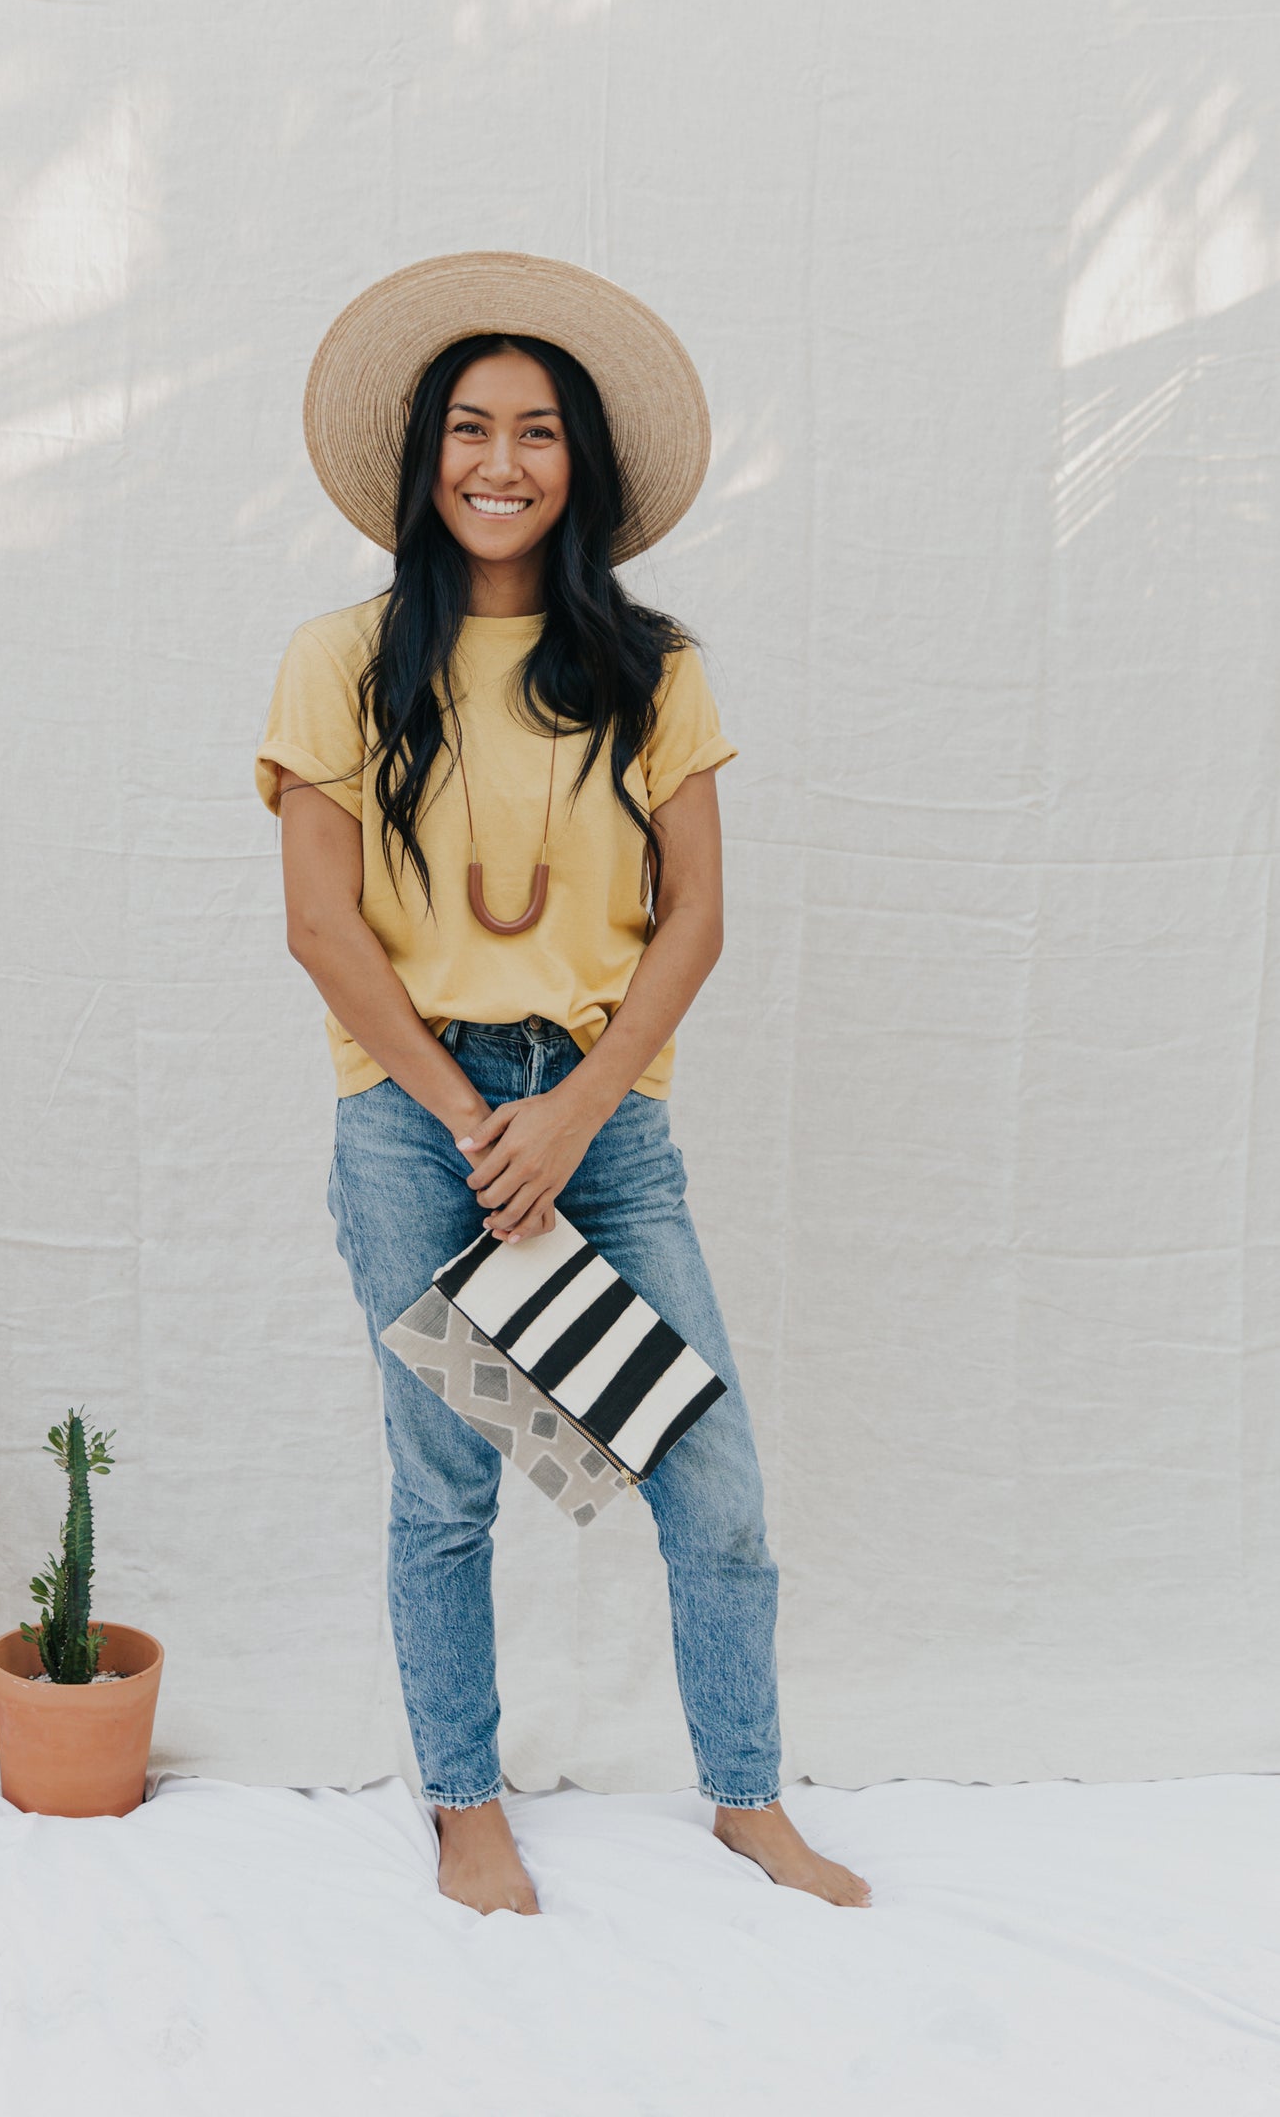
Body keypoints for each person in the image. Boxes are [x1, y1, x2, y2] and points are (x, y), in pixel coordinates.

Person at [255, 251, 871, 1915]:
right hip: (414, 1123)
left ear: (580, 465)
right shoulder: (341, 656)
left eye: (536, 431)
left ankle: (746, 1793)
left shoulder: (654, 666)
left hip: (603, 1120)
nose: (500, 462)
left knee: (708, 1480)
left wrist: (575, 1111)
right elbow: (321, 926)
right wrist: (470, 1124)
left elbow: (698, 919)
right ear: (424, 457)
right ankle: (464, 1801)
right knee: (448, 1489)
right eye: (469, 428)